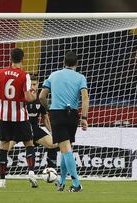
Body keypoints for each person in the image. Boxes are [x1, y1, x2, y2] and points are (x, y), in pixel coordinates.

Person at [0, 75, 59, 181]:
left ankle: (50, 170)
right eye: (31, 85)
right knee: (5, 150)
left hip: (34, 128)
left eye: (35, 84)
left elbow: (45, 118)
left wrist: (53, 132)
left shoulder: (40, 99)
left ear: (38, 85)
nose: (33, 87)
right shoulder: (22, 96)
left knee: (53, 143)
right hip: (19, 127)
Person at [0, 48, 37, 188]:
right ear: (22, 59)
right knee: (29, 143)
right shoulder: (24, 75)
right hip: (20, 117)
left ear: (10, 58)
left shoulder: (0, 72)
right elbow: (27, 97)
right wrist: (33, 96)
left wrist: (1, 98)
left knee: (3, 146)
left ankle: (2, 181)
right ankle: (31, 172)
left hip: (4, 116)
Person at [39, 51, 89, 192]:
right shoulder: (80, 77)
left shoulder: (54, 75)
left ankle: (76, 184)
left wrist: (48, 108)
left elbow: (42, 96)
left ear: (63, 62)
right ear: (76, 64)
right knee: (66, 149)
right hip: (72, 114)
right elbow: (85, 98)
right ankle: (61, 182)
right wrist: (84, 118)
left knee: (65, 149)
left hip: (57, 114)